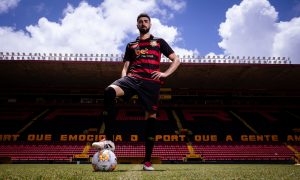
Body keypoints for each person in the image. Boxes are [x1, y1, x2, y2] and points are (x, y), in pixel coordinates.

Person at [92, 13, 180, 171]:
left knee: (150, 118)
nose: (143, 23)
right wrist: (122, 81)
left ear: (150, 24)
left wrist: (165, 73)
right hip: (132, 78)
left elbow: (176, 60)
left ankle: (147, 161)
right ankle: (109, 141)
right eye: (140, 22)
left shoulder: (159, 42)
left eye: (146, 21)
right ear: (137, 25)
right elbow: (125, 67)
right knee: (109, 91)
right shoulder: (131, 45)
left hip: (151, 83)